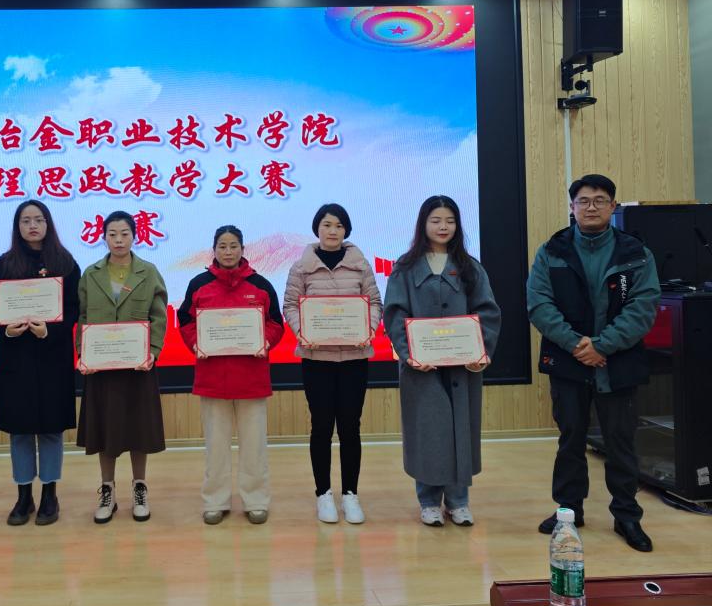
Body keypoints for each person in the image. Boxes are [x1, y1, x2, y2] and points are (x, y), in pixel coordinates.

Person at [527, 174, 659, 552]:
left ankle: (627, 516)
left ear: (613, 207)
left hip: (618, 361)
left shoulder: (635, 252)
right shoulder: (552, 250)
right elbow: (539, 304)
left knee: (621, 441)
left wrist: (602, 345)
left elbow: (644, 306)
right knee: (571, 439)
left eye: (600, 200)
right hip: (568, 361)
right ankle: (569, 511)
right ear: (572, 207)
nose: (591, 207)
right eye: (583, 201)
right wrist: (577, 345)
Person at [383, 195, 500, 527]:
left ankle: (459, 501)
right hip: (421, 369)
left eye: (450, 221)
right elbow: (395, 314)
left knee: (460, 429)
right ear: (423, 224)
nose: (443, 227)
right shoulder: (405, 268)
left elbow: (487, 312)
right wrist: (410, 354)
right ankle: (429, 501)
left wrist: (480, 352)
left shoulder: (470, 267)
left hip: (462, 368)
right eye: (435, 220)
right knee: (428, 432)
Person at [0, 200, 80, 526]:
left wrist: (50, 330)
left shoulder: (65, 263)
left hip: (53, 358)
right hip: (16, 360)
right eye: (26, 221)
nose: (33, 226)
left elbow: (74, 309)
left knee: (51, 429)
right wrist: (5, 330)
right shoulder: (3, 264)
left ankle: (50, 494)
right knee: (20, 431)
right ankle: (23, 495)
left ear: (48, 224)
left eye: (39, 220)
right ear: (17, 226)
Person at [177, 225, 285, 525]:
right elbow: (185, 321)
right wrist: (196, 343)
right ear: (214, 250)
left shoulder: (260, 285)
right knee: (216, 447)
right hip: (213, 378)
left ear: (242, 249)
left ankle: (256, 500)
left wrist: (265, 342)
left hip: (251, 378)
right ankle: (215, 501)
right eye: (222, 246)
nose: (228, 252)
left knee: (254, 447)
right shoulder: (199, 284)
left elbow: (276, 323)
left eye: (233, 246)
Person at [283, 203, 382, 524]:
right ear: (317, 228)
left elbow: (375, 302)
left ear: (346, 230)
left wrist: (367, 330)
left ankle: (350, 494)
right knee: (322, 426)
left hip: (355, 358)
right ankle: (323, 494)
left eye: (339, 225)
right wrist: (302, 332)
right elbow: (290, 305)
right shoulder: (301, 267)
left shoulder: (360, 265)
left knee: (351, 427)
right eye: (327, 224)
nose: (332, 231)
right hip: (317, 359)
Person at [76, 211, 168, 524]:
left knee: (138, 428)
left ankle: (140, 487)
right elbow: (83, 317)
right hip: (101, 369)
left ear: (134, 236)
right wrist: (83, 353)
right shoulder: (91, 274)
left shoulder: (148, 271)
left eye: (124, 234)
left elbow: (159, 316)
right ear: (104, 237)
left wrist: (153, 351)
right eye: (112, 234)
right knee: (106, 429)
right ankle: (107, 490)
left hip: (138, 367)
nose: (118, 240)